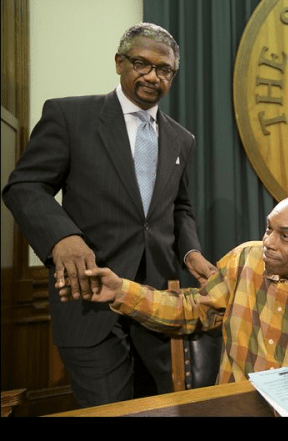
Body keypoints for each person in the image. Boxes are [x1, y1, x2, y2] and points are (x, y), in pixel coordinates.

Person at [2, 23, 216, 407]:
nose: (153, 76)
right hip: (91, 298)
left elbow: (179, 208)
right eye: (141, 63)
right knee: (112, 410)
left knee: (157, 409)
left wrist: (191, 253)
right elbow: (24, 186)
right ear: (120, 63)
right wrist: (62, 237)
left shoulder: (183, 138)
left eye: (164, 69)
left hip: (155, 305)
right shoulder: (70, 116)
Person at [56, 195, 288, 384]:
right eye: (268, 228)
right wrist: (119, 292)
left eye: (285, 237)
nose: (268, 243)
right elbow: (192, 310)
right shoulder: (245, 261)